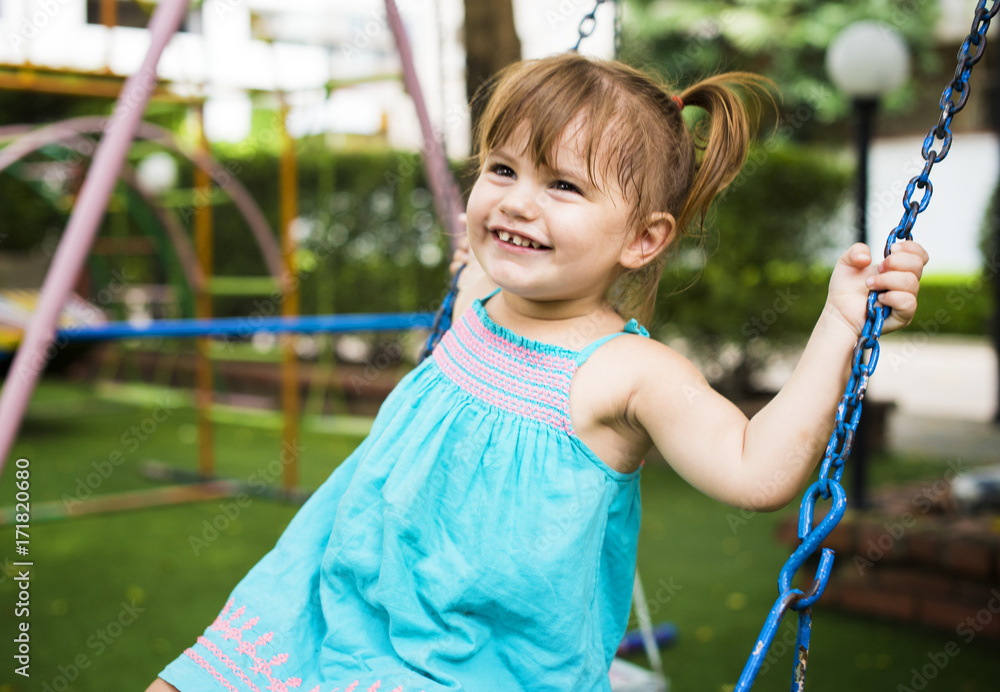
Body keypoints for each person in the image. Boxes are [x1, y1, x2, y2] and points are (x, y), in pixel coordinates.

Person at [148, 53, 927, 692]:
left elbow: (757, 470)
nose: (518, 202)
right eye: (502, 168)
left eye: (562, 185)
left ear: (644, 240)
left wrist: (841, 323)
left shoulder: (625, 373)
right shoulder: (476, 291)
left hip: (472, 665)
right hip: (328, 592)